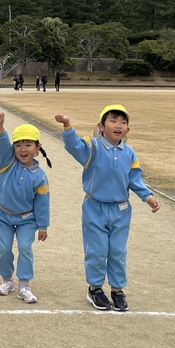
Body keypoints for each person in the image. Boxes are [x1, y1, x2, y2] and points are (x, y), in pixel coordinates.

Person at [55, 105, 160, 312]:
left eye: (123, 122)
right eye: (113, 121)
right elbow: (74, 146)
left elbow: (134, 179)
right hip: (94, 207)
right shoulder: (93, 147)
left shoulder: (129, 153)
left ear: (128, 129)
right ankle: (94, 288)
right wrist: (67, 125)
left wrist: (148, 197)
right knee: (97, 250)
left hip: (121, 210)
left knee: (117, 251)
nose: (118, 125)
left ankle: (117, 290)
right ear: (101, 126)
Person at [0, 113, 52, 304]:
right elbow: (2, 145)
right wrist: (0, 129)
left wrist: (43, 226)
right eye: (18, 145)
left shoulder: (40, 177)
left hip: (27, 219)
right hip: (2, 215)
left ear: (37, 147)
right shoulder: (7, 163)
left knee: (25, 247)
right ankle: (7, 280)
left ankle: (24, 285)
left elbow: (42, 203)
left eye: (28, 144)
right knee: (3, 248)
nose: (22, 149)